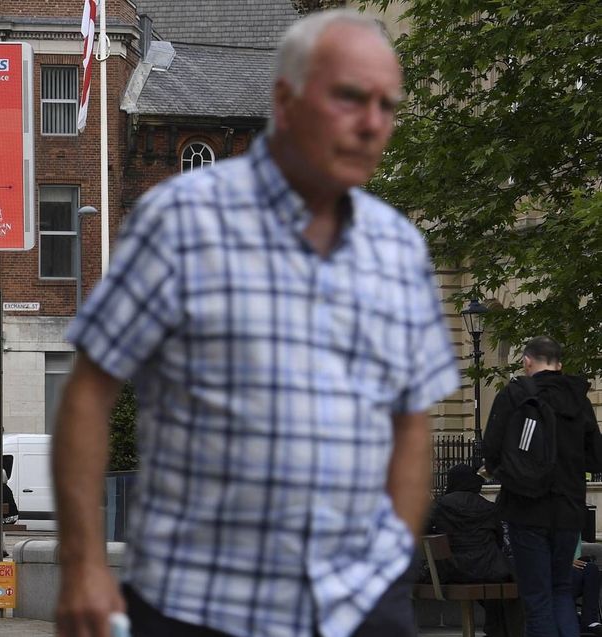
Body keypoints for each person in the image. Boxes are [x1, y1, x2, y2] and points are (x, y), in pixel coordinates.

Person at [52, 8, 460, 637]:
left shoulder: (398, 249)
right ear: (285, 101)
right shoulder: (180, 222)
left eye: (387, 105)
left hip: (357, 606)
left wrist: (390, 565)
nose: (372, 123)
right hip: (201, 603)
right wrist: (82, 565)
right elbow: (87, 396)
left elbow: (411, 423)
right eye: (351, 97)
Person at [483, 336, 602, 637]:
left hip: (526, 507)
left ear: (527, 361)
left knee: (537, 601)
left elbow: (492, 449)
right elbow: (595, 456)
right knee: (561, 591)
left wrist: (515, 474)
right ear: (559, 365)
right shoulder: (579, 399)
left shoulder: (514, 395)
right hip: (568, 510)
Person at [428, 464, 512, 636]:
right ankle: (496, 630)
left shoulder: (440, 506)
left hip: (452, 571)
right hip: (489, 570)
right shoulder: (488, 507)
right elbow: (498, 539)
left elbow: (423, 530)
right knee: (499, 583)